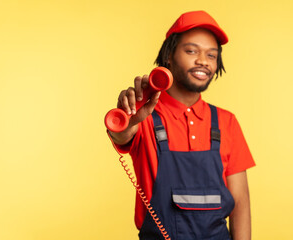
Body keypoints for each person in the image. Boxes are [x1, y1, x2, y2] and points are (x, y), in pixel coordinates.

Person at [107, 10, 255, 240]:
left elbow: (240, 203)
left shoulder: (227, 122)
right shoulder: (145, 115)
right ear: (169, 55)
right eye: (191, 50)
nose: (203, 61)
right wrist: (128, 119)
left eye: (211, 55)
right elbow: (122, 135)